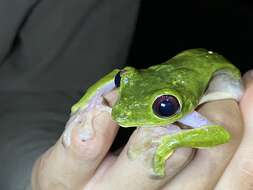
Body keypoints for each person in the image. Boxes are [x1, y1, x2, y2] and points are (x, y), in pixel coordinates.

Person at [0, 0, 252, 190]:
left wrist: (174, 141)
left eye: (164, 106)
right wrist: (90, 99)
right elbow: (118, 74)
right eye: (124, 85)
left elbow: (220, 132)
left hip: (213, 75)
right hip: (174, 73)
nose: (121, 112)